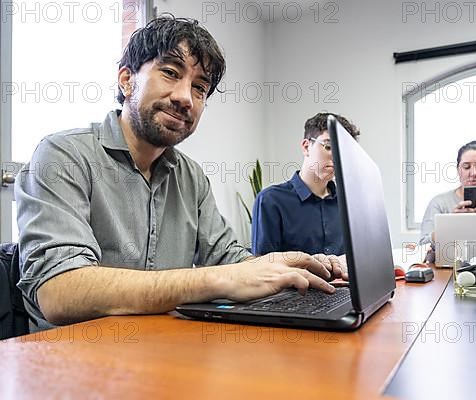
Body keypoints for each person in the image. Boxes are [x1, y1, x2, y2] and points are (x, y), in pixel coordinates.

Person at [15, 16, 344, 330]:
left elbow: (230, 260)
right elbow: (58, 291)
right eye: (171, 72)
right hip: (74, 361)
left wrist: (297, 266)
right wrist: (215, 279)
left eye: (200, 88)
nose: (186, 97)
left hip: (164, 352)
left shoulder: (191, 177)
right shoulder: (62, 156)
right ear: (127, 79)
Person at [251, 112, 360, 258]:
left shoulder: (349, 203)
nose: (337, 157)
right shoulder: (271, 201)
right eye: (328, 147)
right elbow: (264, 269)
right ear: (306, 147)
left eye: (342, 150)